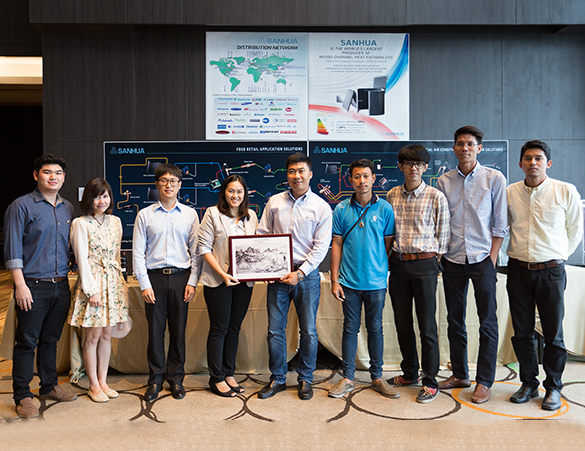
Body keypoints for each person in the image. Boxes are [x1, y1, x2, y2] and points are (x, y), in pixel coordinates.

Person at [506, 140, 583, 411]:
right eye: (528, 158)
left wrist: (558, 256)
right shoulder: (510, 192)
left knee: (553, 333)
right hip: (518, 271)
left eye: (538, 158)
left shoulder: (565, 191)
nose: (533, 163)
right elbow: (502, 227)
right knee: (522, 332)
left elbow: (575, 230)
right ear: (520, 164)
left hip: (551, 271)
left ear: (548, 163)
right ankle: (528, 383)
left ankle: (553, 387)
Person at [436, 126, 508, 404]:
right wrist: (441, 255)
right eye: (460, 143)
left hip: (483, 259)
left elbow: (500, 223)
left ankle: (485, 381)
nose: (464, 148)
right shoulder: (443, 181)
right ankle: (460, 374)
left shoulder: (494, 178)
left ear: (479, 148)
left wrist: (493, 257)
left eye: (470, 144)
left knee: (487, 321)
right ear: (454, 148)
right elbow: (441, 221)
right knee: (454, 320)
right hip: (453, 258)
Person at [4, 154, 77, 419]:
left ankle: (49, 386)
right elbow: (12, 248)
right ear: (36, 175)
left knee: (50, 340)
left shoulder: (68, 208)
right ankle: (23, 395)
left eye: (58, 173)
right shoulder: (21, 206)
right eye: (47, 172)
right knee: (26, 342)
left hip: (61, 285)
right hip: (32, 285)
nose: (53, 177)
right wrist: (20, 285)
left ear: (63, 177)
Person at [256, 152, 332, 401]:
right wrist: (264, 268)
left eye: (301, 171)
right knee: (275, 330)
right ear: (286, 175)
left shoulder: (321, 206)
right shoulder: (274, 202)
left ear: (310, 174)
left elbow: (321, 247)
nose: (297, 176)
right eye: (292, 171)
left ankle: (305, 379)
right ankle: (278, 378)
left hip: (306, 276)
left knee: (308, 331)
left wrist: (300, 273)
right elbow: (262, 234)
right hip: (277, 275)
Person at [328, 159, 399, 399]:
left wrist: (378, 268)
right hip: (349, 281)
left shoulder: (385, 209)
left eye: (366, 176)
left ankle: (377, 377)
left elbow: (387, 244)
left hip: (376, 282)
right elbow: (337, 244)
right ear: (350, 180)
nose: (362, 181)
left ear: (373, 179)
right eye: (357, 176)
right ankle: (347, 377)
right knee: (350, 328)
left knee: (375, 328)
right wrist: (335, 280)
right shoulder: (341, 209)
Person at [386, 145, 450, 403]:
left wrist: (433, 262)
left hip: (425, 265)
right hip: (398, 264)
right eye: (408, 163)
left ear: (425, 168)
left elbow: (443, 237)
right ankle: (409, 372)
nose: (414, 168)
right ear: (400, 166)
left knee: (427, 325)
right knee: (402, 323)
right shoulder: (391, 195)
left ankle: (430, 381)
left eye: (419, 164)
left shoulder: (436, 197)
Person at [133, 163, 200, 402]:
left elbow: (196, 252)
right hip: (155, 279)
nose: (169, 185)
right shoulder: (145, 215)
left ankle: (176, 379)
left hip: (182, 278)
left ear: (180, 185)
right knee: (155, 332)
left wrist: (192, 281)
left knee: (178, 332)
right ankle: (155, 379)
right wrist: (144, 284)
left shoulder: (190, 215)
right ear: (157, 184)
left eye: (173, 181)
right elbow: (138, 253)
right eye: (164, 180)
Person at [198, 175, 258, 398]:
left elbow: (256, 247)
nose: (235, 195)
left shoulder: (251, 217)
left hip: (244, 282)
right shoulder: (212, 214)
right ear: (224, 192)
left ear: (245, 194)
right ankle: (216, 378)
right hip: (218, 280)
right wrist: (223, 274)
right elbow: (204, 248)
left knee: (234, 328)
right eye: (231, 191)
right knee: (219, 328)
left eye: (239, 191)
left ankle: (228, 373)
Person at [69, 178, 128, 403]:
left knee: (106, 335)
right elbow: (81, 259)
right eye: (96, 196)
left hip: (112, 282)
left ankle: (103, 381)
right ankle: (93, 385)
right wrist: (91, 290)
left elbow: (116, 255)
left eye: (105, 196)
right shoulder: (80, 223)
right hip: (93, 283)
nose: (101, 201)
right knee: (92, 337)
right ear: (89, 199)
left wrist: (120, 285)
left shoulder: (116, 221)